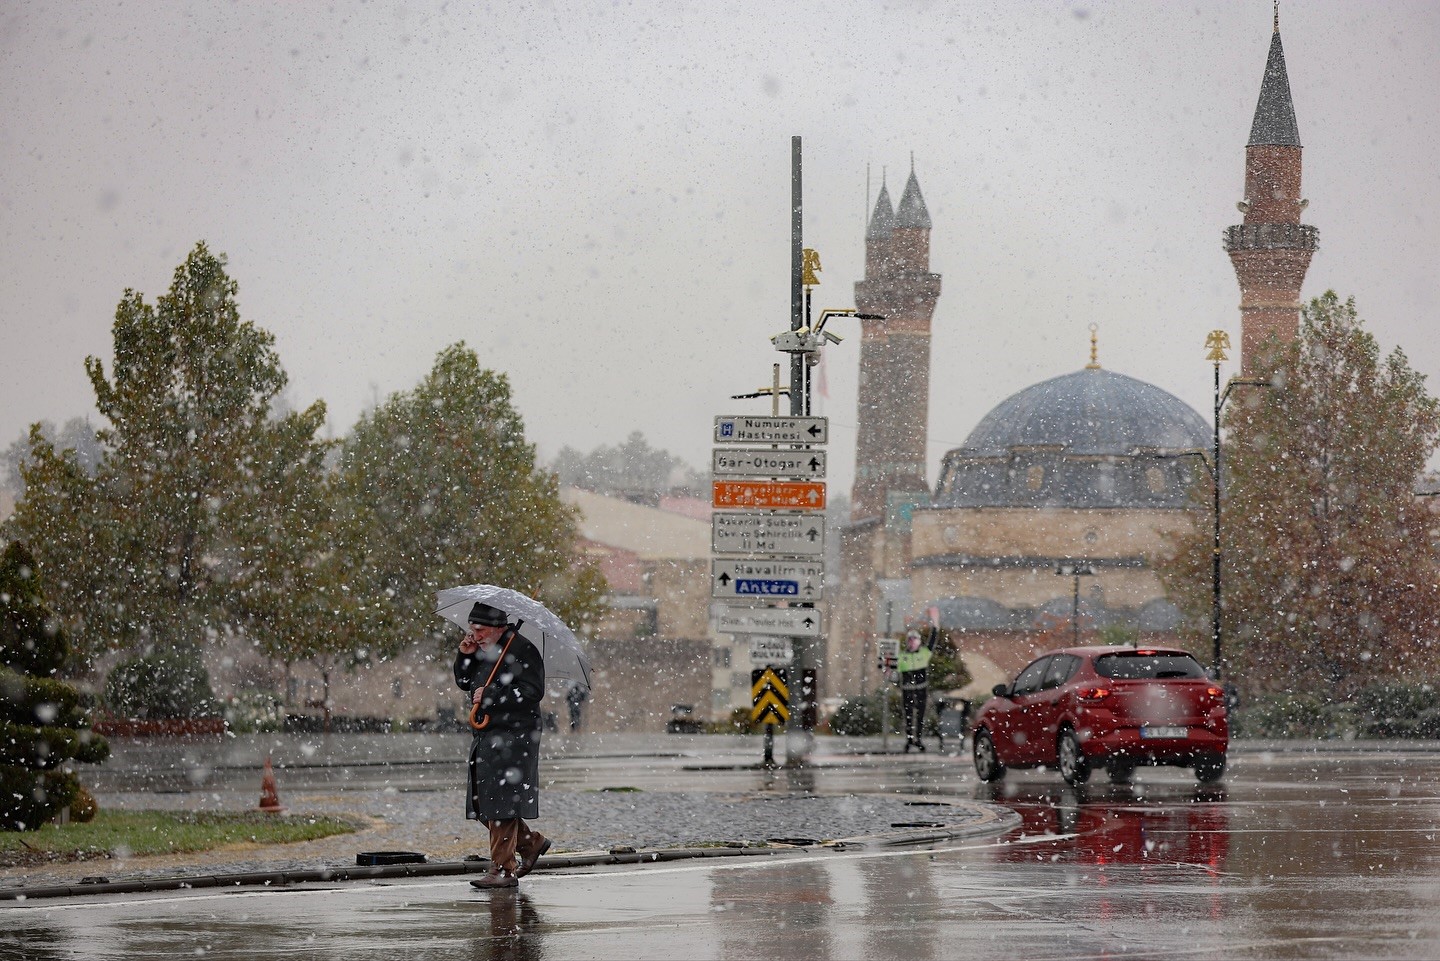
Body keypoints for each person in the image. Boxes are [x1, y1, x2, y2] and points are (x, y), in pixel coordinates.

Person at [454, 601, 551, 889]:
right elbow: (464, 681)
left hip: (515, 736)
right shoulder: (484, 650)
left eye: (480, 629)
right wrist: (465, 656)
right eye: (472, 629)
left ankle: (503, 869)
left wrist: (492, 694)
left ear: (498, 628)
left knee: (501, 804)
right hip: (486, 734)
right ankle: (531, 843)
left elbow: (533, 691)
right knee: (483, 801)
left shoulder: (522, 650)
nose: (475, 635)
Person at [894, 626, 936, 753]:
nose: (912, 642)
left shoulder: (923, 653)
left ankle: (918, 739)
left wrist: (935, 626)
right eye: (910, 640)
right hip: (907, 690)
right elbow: (894, 673)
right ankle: (909, 740)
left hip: (921, 690)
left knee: (920, 716)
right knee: (908, 716)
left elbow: (932, 642)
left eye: (914, 639)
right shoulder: (902, 656)